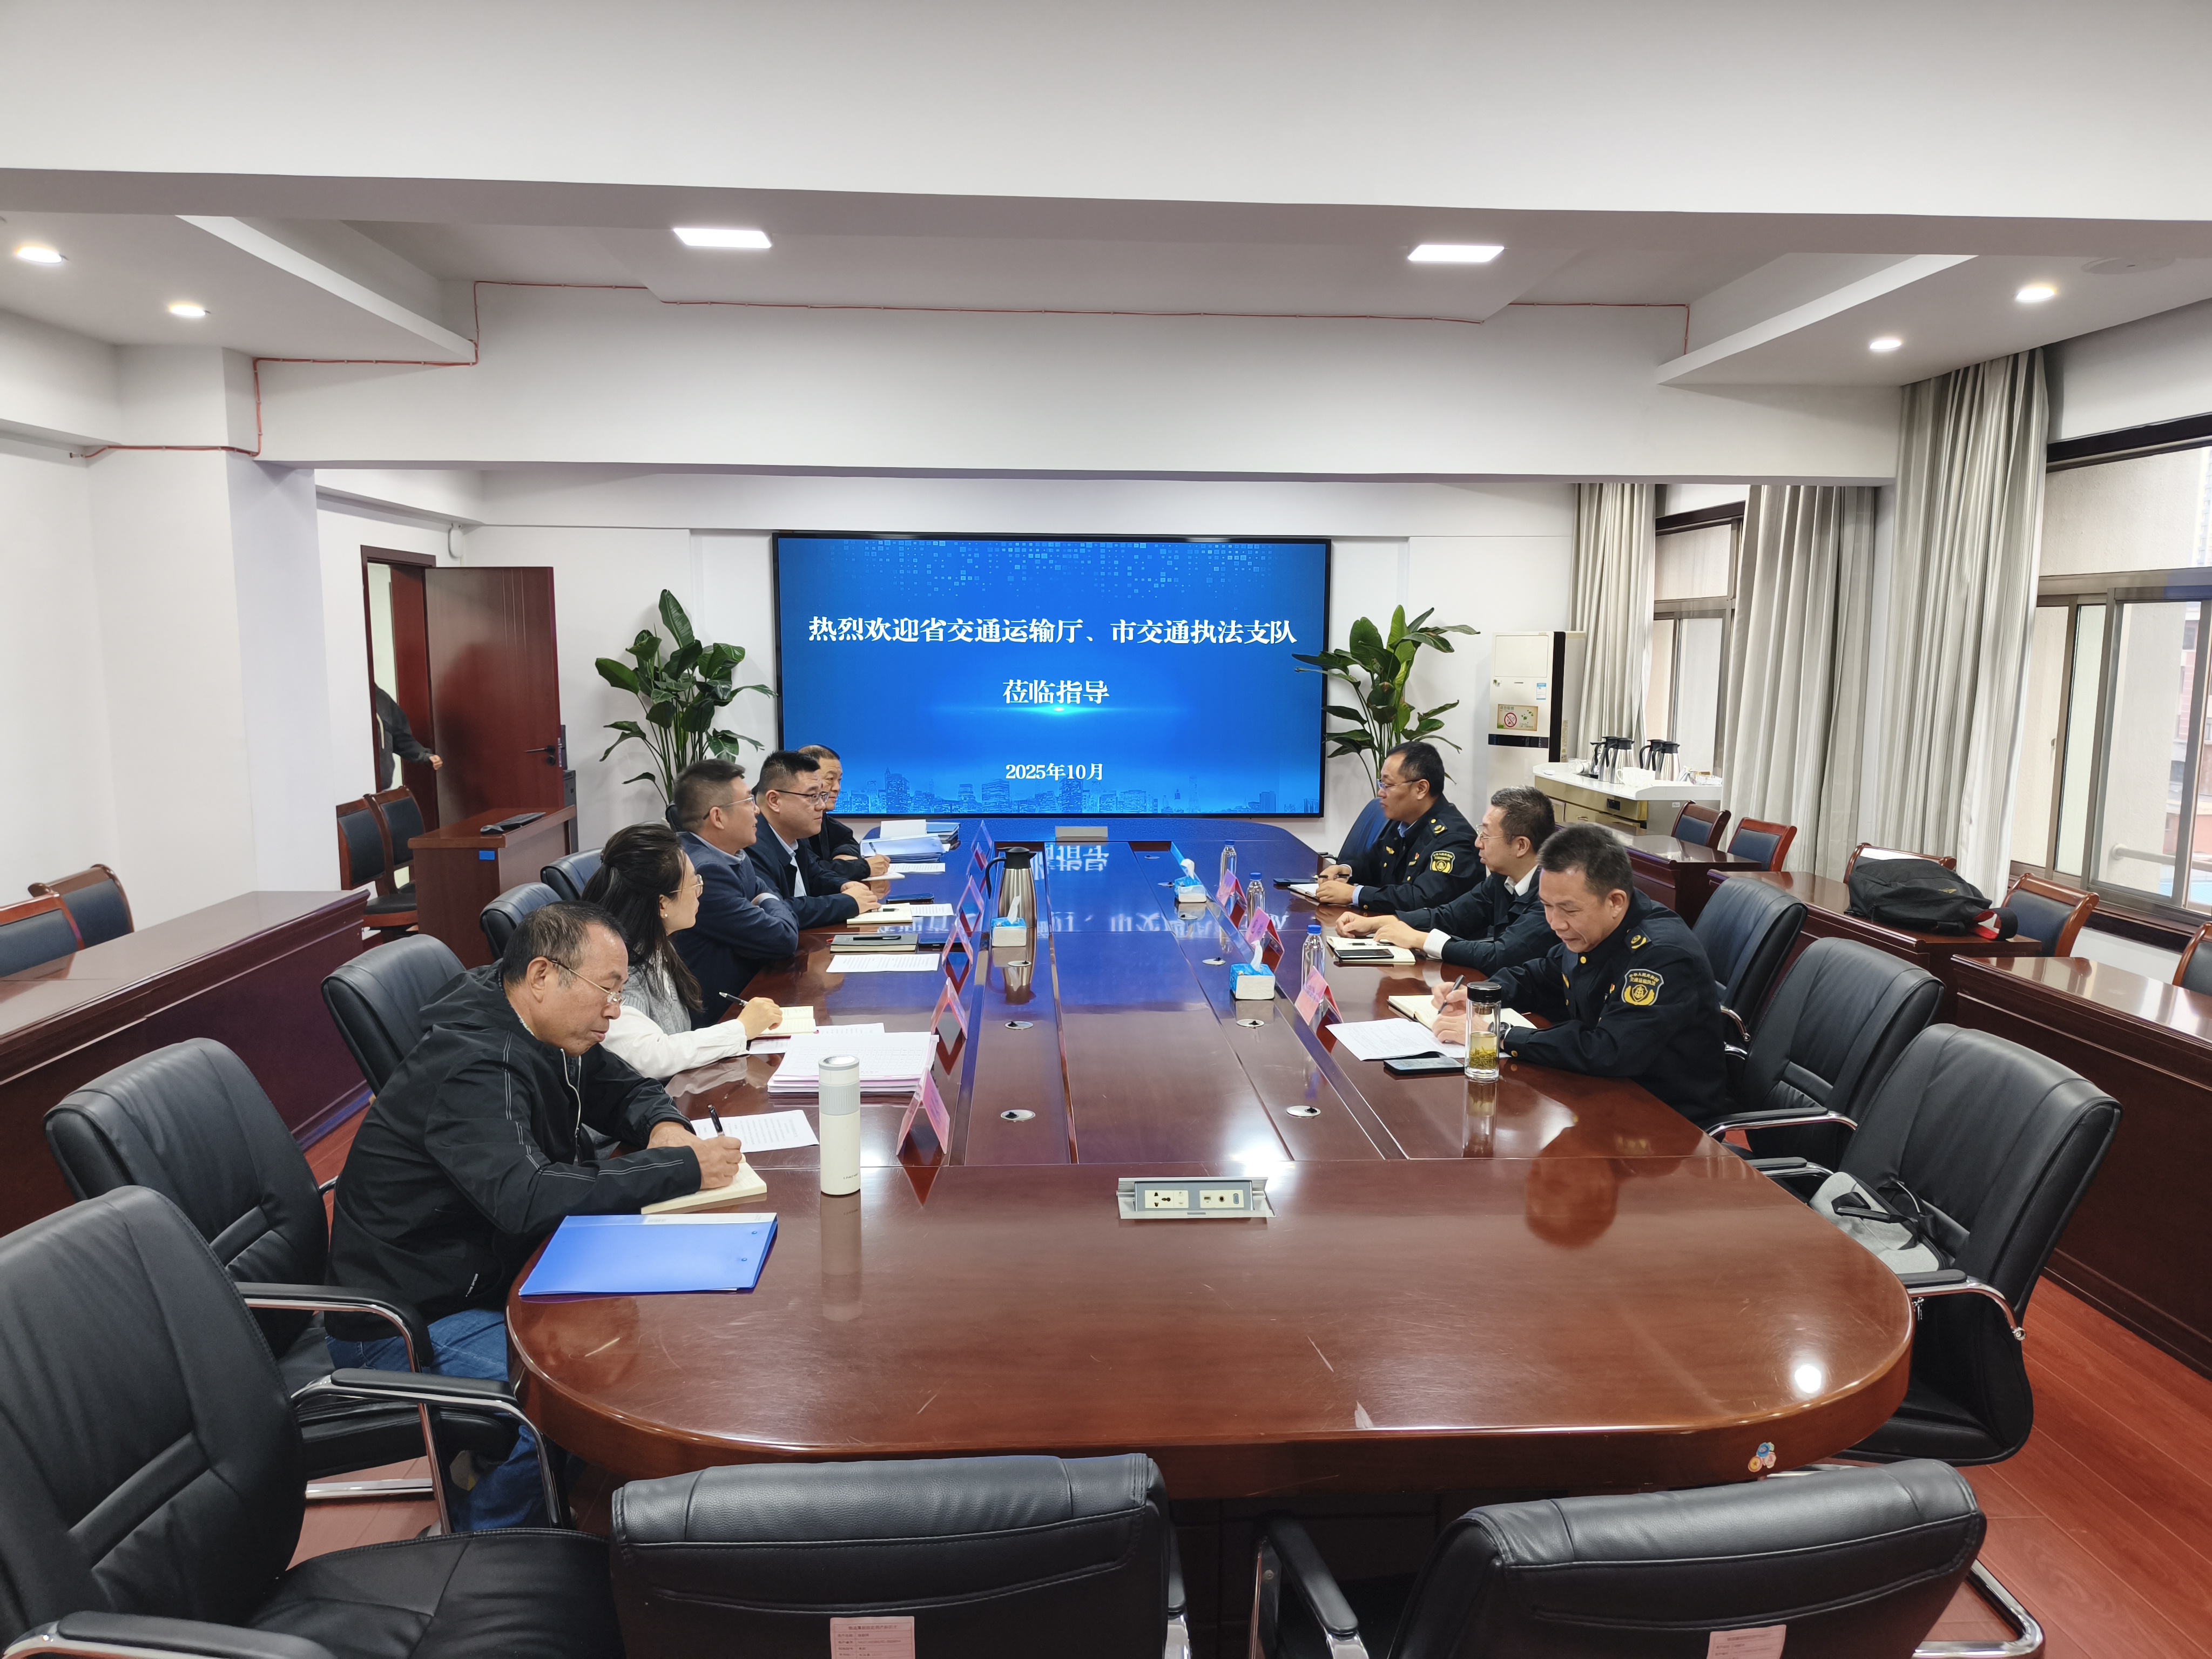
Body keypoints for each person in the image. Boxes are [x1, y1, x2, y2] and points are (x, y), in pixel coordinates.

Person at [325, 901, 747, 1529]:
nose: (615, 1010)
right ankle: (486, 1548)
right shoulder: (472, 1066)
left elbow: (623, 1087)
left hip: (492, 1274)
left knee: (660, 1334)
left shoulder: (542, 1023)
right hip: (407, 1319)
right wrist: (681, 1169)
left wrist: (663, 1126)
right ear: (544, 975)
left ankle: (514, 1485)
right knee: (570, 1395)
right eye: (607, 990)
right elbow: (528, 1199)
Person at [1437, 822, 1728, 1128]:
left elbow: (1608, 1050)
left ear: (1615, 902)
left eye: (1569, 910)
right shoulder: (1594, 929)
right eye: (1546, 906)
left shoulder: (1662, 955)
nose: (1555, 923)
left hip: (1664, 1122)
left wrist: (1500, 1034)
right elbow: (1542, 975)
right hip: (1600, 1094)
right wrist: (1479, 995)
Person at [585, 821, 785, 1078]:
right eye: (694, 883)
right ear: (662, 905)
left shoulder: (657, 945)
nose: (700, 891)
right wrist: (742, 1028)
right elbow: (651, 1057)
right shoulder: (621, 971)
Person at [1336, 785, 1558, 974]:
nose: (1478, 843)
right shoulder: (1503, 878)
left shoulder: (1552, 897)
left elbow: (1501, 955)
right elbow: (1450, 916)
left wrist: (1421, 940)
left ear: (1521, 846)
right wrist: (1380, 923)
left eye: (1486, 835)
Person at [669, 758, 804, 1003]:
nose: (757, 810)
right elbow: (783, 938)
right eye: (749, 801)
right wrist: (767, 900)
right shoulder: (704, 873)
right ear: (718, 817)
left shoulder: (734, 855)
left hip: (752, 989)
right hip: (723, 1009)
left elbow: (767, 893)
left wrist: (765, 897)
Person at [1311, 741, 1480, 913]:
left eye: (1388, 785)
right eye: (1381, 783)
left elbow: (1422, 899)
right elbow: (1373, 864)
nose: (1380, 793)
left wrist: (1355, 894)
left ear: (1421, 789)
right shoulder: (1402, 822)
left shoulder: (1454, 839)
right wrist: (1345, 871)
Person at [747, 750, 885, 929]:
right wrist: (848, 902)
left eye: (821, 796)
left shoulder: (795, 835)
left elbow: (816, 876)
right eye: (813, 797)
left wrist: (844, 885)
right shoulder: (751, 845)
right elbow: (776, 910)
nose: (821, 805)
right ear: (775, 801)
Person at [799, 744, 891, 881]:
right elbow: (812, 872)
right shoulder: (794, 821)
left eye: (839, 780)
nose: (838, 788)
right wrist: (863, 867)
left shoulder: (821, 816)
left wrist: (843, 855)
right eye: (830, 779)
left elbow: (846, 838)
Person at [372, 683, 441, 791]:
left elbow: (400, 739)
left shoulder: (381, 698)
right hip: (350, 792)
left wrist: (425, 756)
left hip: (382, 790)